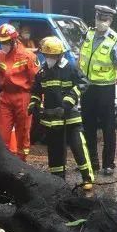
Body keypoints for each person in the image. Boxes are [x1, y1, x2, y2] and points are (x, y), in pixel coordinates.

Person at [28, 36, 94, 191]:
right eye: (47, 55)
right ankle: (58, 182)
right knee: (55, 151)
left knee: (78, 147)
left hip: (70, 116)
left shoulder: (70, 68)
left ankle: (87, 178)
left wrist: (69, 99)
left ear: (59, 55)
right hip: (52, 120)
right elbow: (36, 91)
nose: (49, 58)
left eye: (52, 56)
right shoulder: (42, 72)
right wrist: (34, 104)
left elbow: (84, 83)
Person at [0, 23, 39, 160]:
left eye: (5, 42)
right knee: (2, 130)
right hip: (5, 97)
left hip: (23, 97)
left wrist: (38, 100)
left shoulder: (27, 56)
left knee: (23, 132)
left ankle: (22, 162)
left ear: (13, 40)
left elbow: (36, 81)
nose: (3, 45)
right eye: (1, 42)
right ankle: (4, 161)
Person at [78, 5, 117, 175]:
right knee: (87, 126)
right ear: (95, 18)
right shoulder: (87, 35)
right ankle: (91, 162)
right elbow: (80, 56)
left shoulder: (115, 40)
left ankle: (108, 164)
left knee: (108, 127)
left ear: (110, 21)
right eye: (99, 18)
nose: (101, 22)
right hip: (87, 88)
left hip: (105, 89)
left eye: (105, 20)